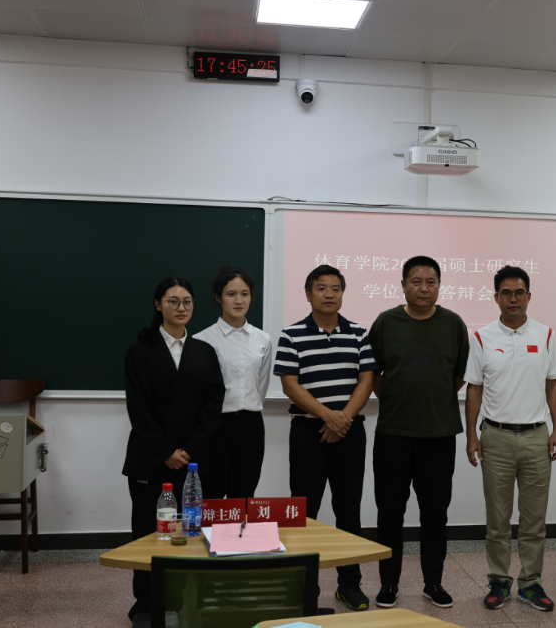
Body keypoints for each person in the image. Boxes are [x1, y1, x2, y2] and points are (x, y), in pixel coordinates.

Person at [273, 264, 377, 611]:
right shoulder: (291, 335)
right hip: (308, 432)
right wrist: (328, 416)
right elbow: (290, 385)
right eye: (321, 288)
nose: (329, 294)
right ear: (308, 294)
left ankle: (349, 584)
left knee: (349, 511)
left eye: (335, 288)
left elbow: (367, 379)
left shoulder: (358, 333)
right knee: (303, 512)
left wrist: (342, 419)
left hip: (350, 432)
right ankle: (304, 587)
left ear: (342, 294)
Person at [369, 255, 470, 609]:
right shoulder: (385, 322)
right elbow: (373, 374)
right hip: (393, 434)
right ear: (402, 285)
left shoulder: (453, 323)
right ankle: (389, 583)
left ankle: (433, 582)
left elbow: (460, 374)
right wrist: (395, 399)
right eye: (416, 281)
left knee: (435, 514)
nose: (423, 288)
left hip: (439, 435)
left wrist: (434, 398)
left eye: (430, 282)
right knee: (389, 513)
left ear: (439, 286)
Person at [122, 276, 225, 621]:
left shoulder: (204, 351)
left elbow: (213, 405)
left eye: (187, 302)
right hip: (151, 459)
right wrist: (165, 451)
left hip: (193, 463)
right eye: (173, 301)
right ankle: (145, 603)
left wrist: (190, 450)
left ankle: (180, 601)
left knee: (188, 533)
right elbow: (138, 408)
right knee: (147, 532)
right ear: (158, 305)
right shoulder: (139, 351)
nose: (181, 308)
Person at [464, 265, 556, 613]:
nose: (513, 299)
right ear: (496, 297)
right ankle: (498, 581)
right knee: (498, 521)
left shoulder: (546, 335)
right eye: (506, 293)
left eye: (519, 292)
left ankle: (531, 583)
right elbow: (474, 388)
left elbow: (553, 384)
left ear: (529, 296)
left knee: (534, 521)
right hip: (496, 438)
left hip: (537, 437)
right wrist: (472, 435)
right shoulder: (482, 337)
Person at [194, 265, 272, 500]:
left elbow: (261, 385)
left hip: (251, 425)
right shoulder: (202, 340)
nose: (239, 300)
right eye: (231, 294)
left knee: (245, 495)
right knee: (212, 493)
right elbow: (198, 393)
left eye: (244, 294)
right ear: (218, 298)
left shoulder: (263, 339)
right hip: (214, 426)